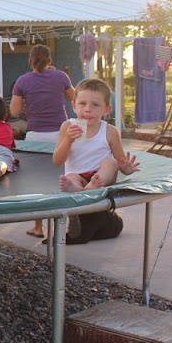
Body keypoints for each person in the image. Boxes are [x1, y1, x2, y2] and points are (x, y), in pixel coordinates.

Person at [53, 78, 139, 244]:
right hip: (78, 177)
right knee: (70, 177)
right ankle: (78, 189)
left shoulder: (109, 131)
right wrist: (68, 140)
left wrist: (126, 169)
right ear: (74, 106)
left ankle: (90, 188)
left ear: (106, 110)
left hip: (100, 179)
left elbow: (120, 162)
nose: (88, 109)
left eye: (95, 105)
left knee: (110, 162)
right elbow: (57, 160)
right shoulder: (67, 127)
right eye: (83, 104)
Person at [10, 44, 74, 238]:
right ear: (50, 61)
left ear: (30, 62)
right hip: (60, 134)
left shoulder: (22, 81)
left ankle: (38, 227)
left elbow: (14, 111)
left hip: (35, 135)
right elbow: (74, 98)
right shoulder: (61, 77)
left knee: (37, 182)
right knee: (63, 178)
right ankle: (66, 224)